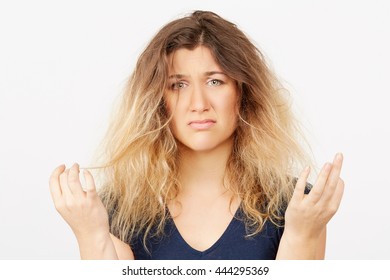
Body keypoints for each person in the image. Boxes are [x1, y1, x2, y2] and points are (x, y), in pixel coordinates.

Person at [49, 10, 344, 260]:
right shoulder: (115, 209)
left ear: (244, 93)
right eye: (178, 85)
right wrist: (90, 235)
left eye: (215, 81)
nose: (199, 104)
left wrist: (303, 235)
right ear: (156, 100)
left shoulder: (296, 206)